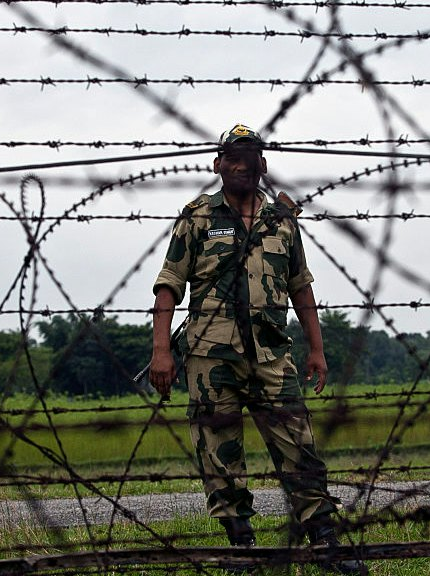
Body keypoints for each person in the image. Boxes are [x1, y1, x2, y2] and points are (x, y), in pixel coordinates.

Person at [149, 124, 365, 574]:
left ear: (263, 165)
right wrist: (161, 352)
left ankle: (325, 541)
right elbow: (169, 286)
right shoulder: (197, 217)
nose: (242, 165)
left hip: (272, 355)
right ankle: (242, 549)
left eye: (250, 158)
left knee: (299, 448)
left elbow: (301, 286)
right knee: (219, 455)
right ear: (218, 165)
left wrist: (317, 350)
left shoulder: (281, 222)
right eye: (232, 158)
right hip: (212, 358)